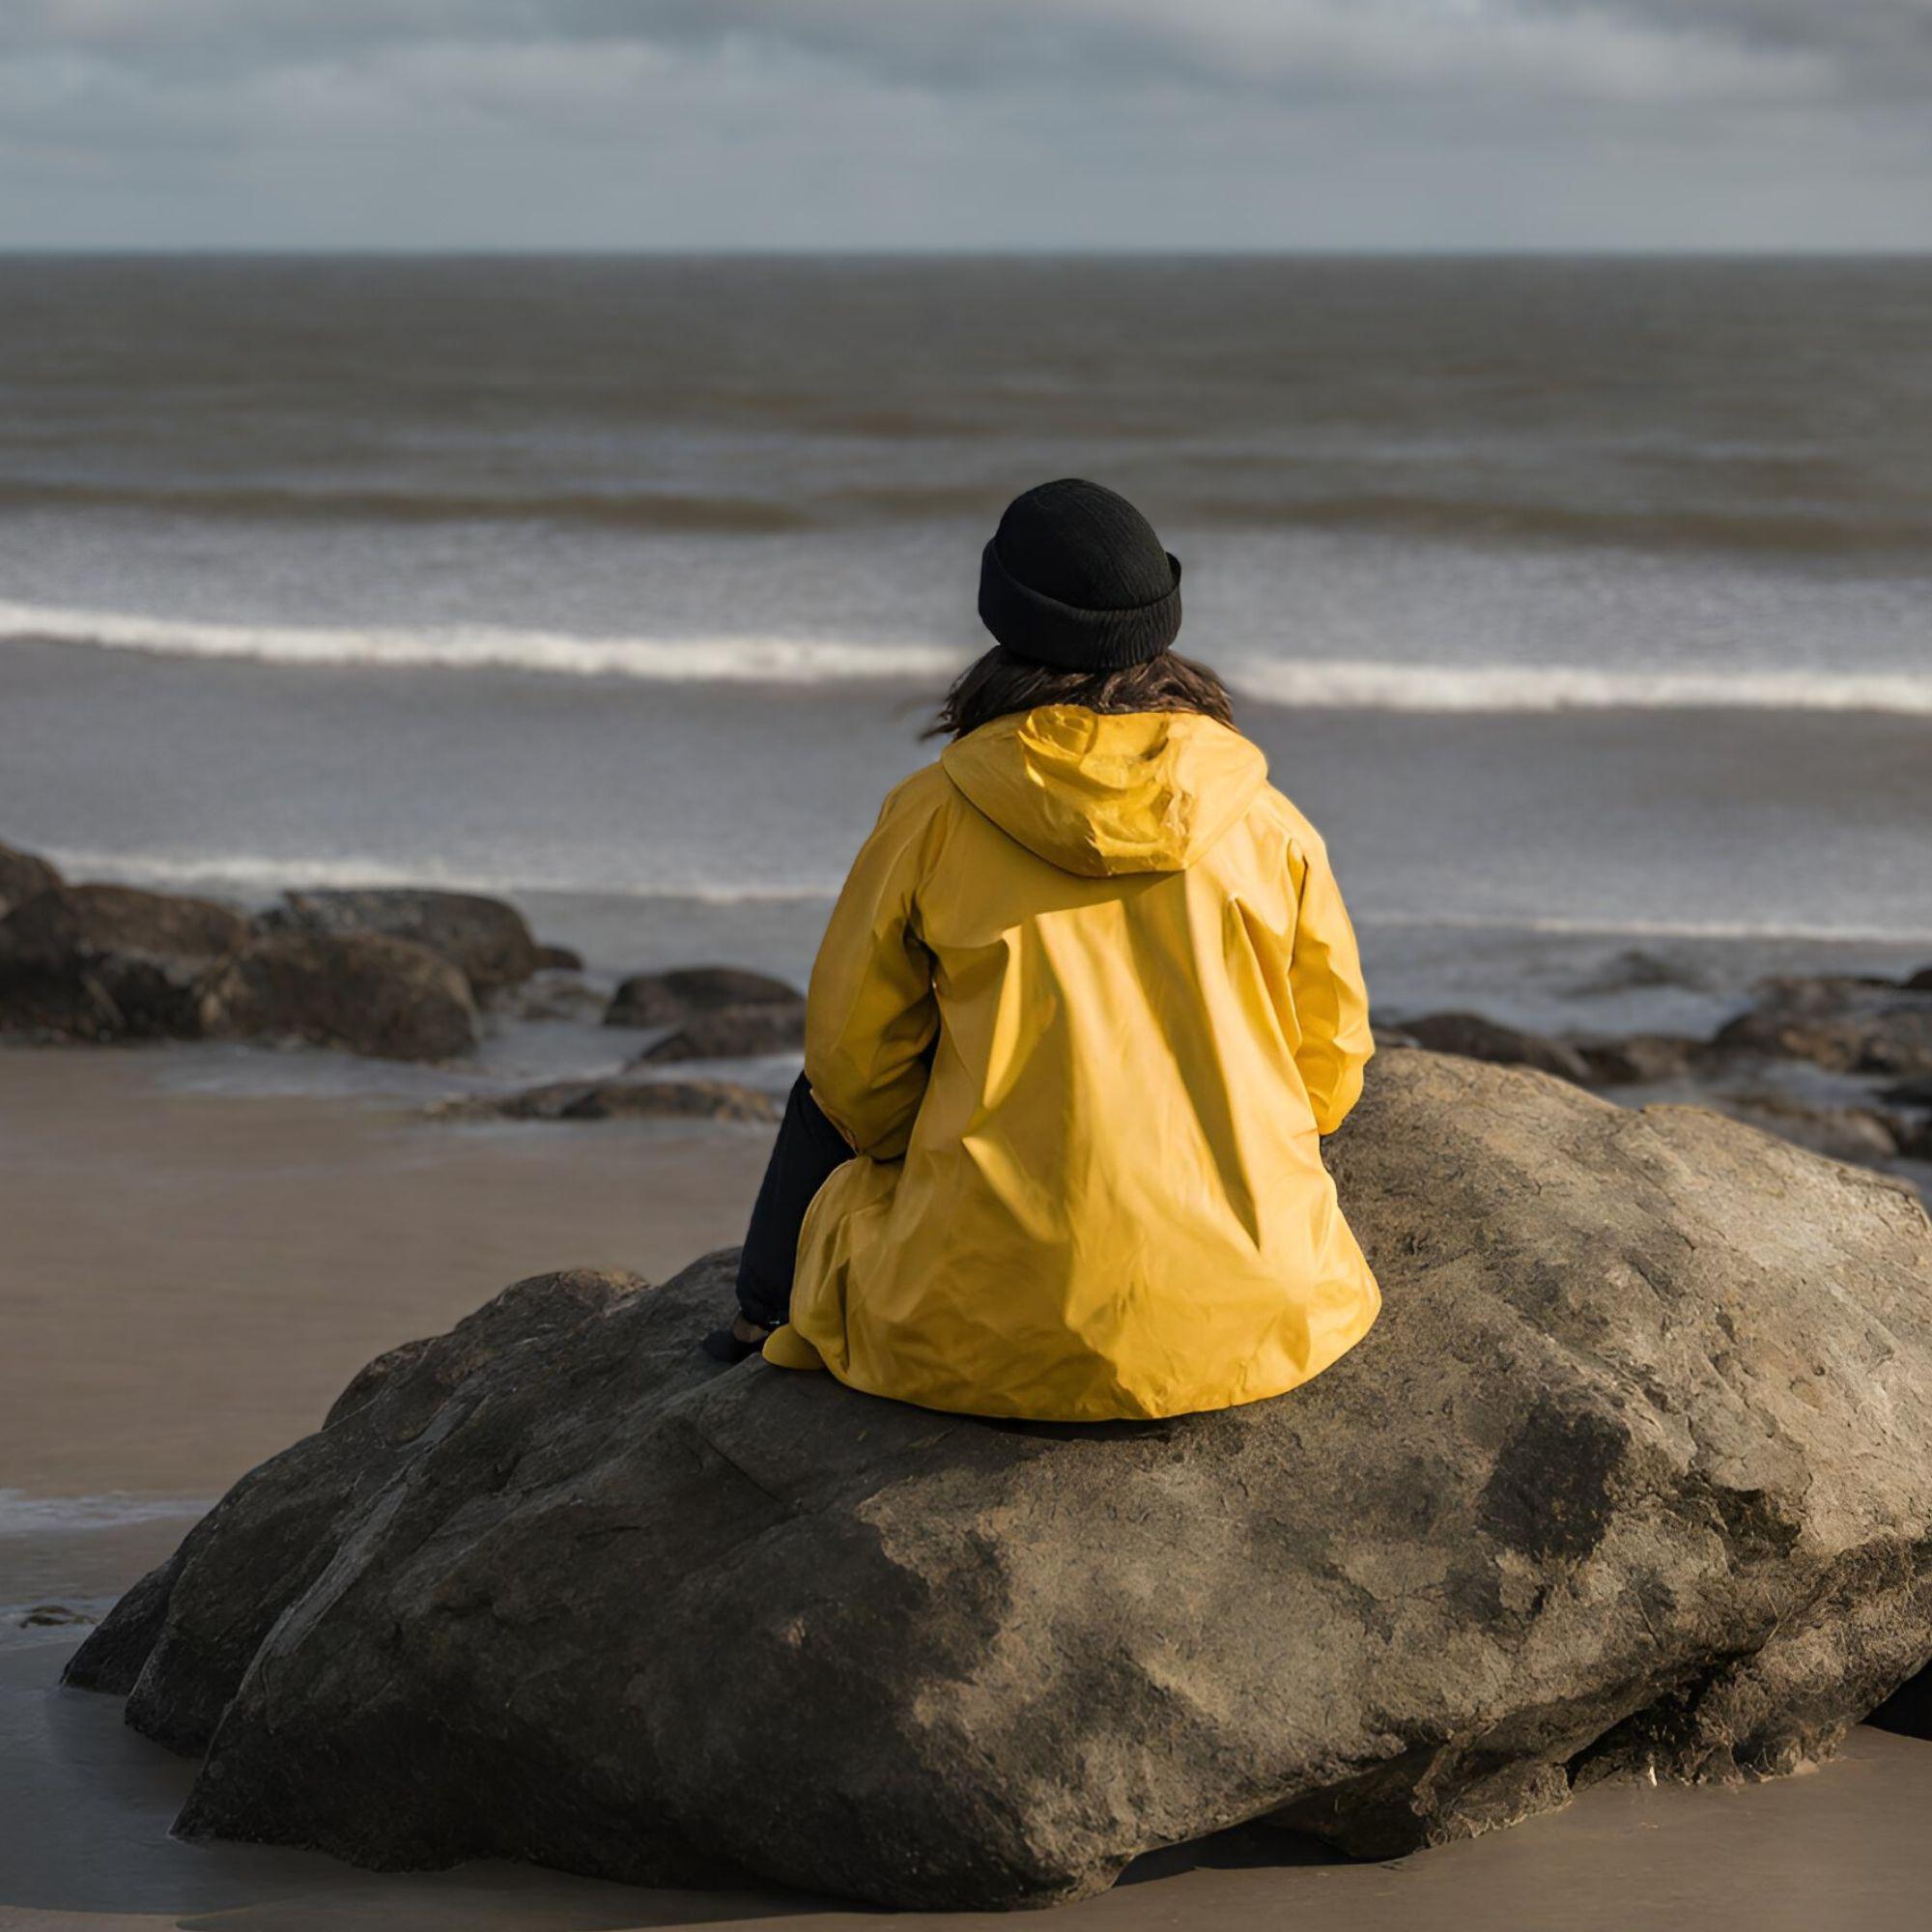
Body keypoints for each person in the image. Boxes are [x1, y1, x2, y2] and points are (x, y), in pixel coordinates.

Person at [704, 477, 1378, 1421]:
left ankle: (751, 1320)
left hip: (980, 1327)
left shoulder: (932, 812)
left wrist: (923, 1151)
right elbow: (1329, 1068)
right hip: (1251, 1315)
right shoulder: (1266, 820)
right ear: (1160, 623)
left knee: (821, 1098)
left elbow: (854, 1073)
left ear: (1001, 618)